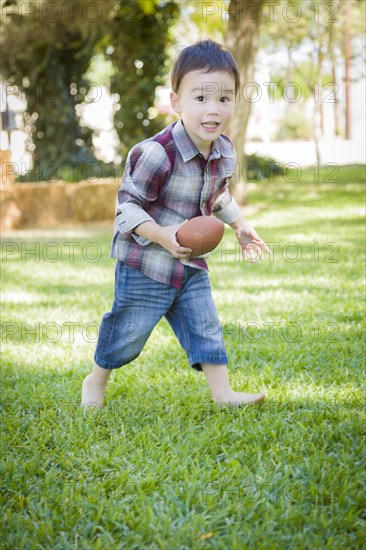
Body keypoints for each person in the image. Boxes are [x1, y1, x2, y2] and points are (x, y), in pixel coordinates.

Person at [81, 39, 270, 410]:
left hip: (190, 264)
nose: (213, 110)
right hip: (146, 265)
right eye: (200, 98)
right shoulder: (156, 153)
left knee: (206, 325)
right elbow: (126, 209)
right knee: (127, 335)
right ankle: (95, 381)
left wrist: (239, 224)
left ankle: (223, 394)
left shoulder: (223, 150)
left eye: (224, 99)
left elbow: (216, 196)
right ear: (177, 101)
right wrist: (161, 235)